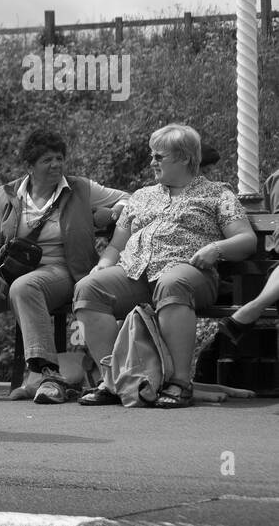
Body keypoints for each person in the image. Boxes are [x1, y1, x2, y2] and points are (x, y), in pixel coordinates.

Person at [0, 129, 129, 403]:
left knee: (25, 287)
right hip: (11, 270)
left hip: (63, 270)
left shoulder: (81, 188)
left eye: (59, 158)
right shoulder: (6, 194)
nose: (56, 165)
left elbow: (131, 199)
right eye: (47, 160)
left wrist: (113, 211)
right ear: (30, 166)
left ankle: (48, 375)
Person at [73, 124, 255, 408]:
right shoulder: (141, 196)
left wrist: (215, 248)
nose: (152, 162)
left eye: (159, 156)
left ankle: (179, 383)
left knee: (173, 283)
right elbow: (116, 246)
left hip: (188, 271)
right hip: (135, 271)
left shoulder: (217, 194)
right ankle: (114, 381)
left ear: (183, 158)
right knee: (88, 289)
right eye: (152, 155)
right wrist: (103, 265)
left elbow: (246, 239)